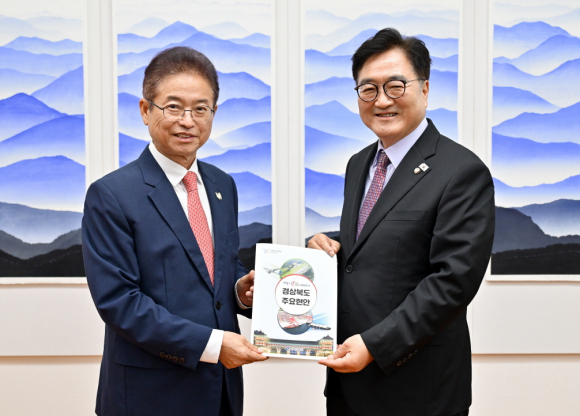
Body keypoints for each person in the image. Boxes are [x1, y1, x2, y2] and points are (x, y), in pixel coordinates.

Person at [308, 28, 495, 416]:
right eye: (368, 89)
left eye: (395, 86)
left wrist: (375, 345)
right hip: (347, 385)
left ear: (424, 89)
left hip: (418, 389)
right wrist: (328, 248)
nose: (381, 101)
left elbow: (452, 282)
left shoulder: (461, 171)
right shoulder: (359, 164)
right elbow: (379, 242)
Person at [82, 46, 267, 416]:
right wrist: (213, 345)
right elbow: (120, 303)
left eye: (200, 109)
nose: (187, 121)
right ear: (145, 110)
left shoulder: (222, 185)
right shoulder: (112, 194)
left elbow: (217, 268)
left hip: (221, 393)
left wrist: (240, 291)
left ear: (214, 113)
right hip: (148, 395)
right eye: (173, 107)